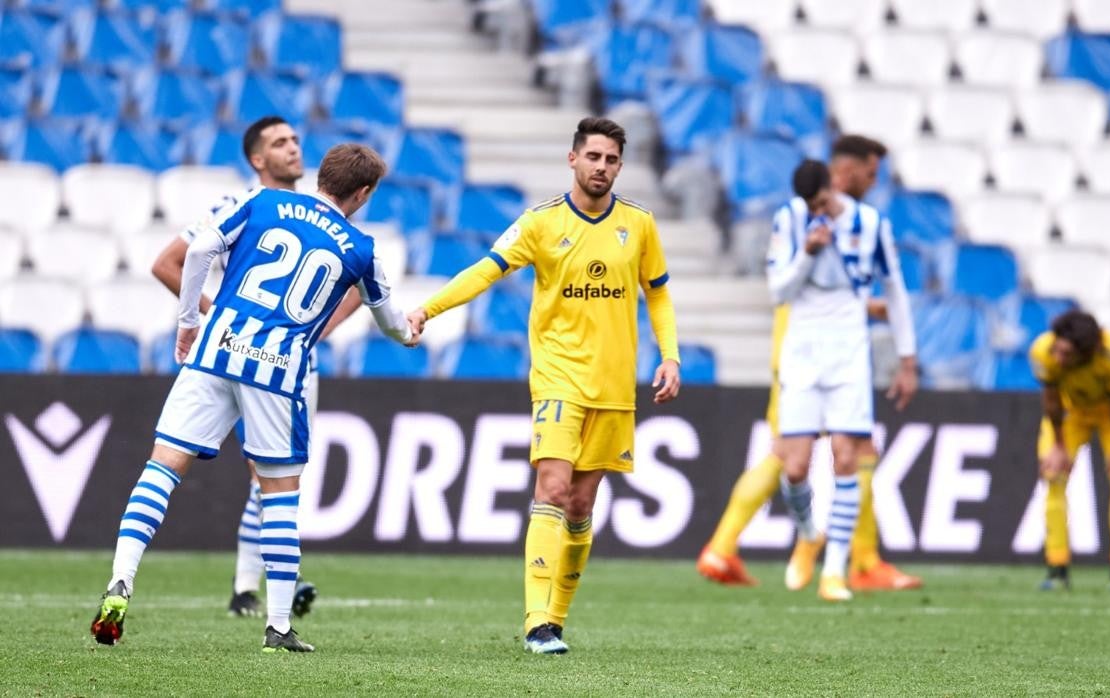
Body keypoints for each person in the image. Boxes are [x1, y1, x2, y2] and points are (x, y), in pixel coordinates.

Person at [91, 144, 418, 652]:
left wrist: (188, 322)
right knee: (280, 494)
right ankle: (279, 626)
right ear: (363, 193)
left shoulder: (262, 202)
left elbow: (198, 251)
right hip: (278, 372)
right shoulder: (361, 248)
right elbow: (391, 323)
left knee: (161, 470)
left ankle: (120, 581)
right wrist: (410, 331)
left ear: (320, 177)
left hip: (216, 350)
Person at [410, 117, 681, 654]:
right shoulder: (540, 223)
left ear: (620, 166)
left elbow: (659, 294)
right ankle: (535, 620)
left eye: (611, 160)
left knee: (581, 506)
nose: (601, 167)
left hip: (613, 386)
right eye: (593, 157)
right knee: (552, 489)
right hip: (558, 376)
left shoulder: (640, 224)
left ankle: (555, 619)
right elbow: (485, 270)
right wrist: (427, 309)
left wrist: (669, 355)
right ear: (573, 159)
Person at [151, 115, 362, 619]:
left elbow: (358, 286)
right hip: (231, 354)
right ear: (257, 159)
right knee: (245, 469)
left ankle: (248, 587)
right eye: (279, 142)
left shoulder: (324, 214)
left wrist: (309, 333)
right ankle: (258, 586)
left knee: (269, 475)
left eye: (294, 140)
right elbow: (167, 263)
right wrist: (217, 316)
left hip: (292, 362)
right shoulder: (235, 205)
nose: (293, 148)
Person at [697, 136, 920, 593]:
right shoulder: (793, 219)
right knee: (791, 461)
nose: (874, 181)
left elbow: (889, 288)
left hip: (848, 351)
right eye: (869, 172)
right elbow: (781, 290)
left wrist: (906, 355)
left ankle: (844, 565)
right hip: (798, 350)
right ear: (843, 172)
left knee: (851, 455)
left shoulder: (870, 223)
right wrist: (810, 253)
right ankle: (804, 540)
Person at [1029, 310, 1110, 593]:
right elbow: (1052, 402)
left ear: (1090, 350)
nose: (1058, 358)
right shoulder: (1044, 351)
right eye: (1057, 350)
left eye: (1067, 354)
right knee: (1053, 473)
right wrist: (1058, 445)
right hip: (1073, 411)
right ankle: (1057, 569)